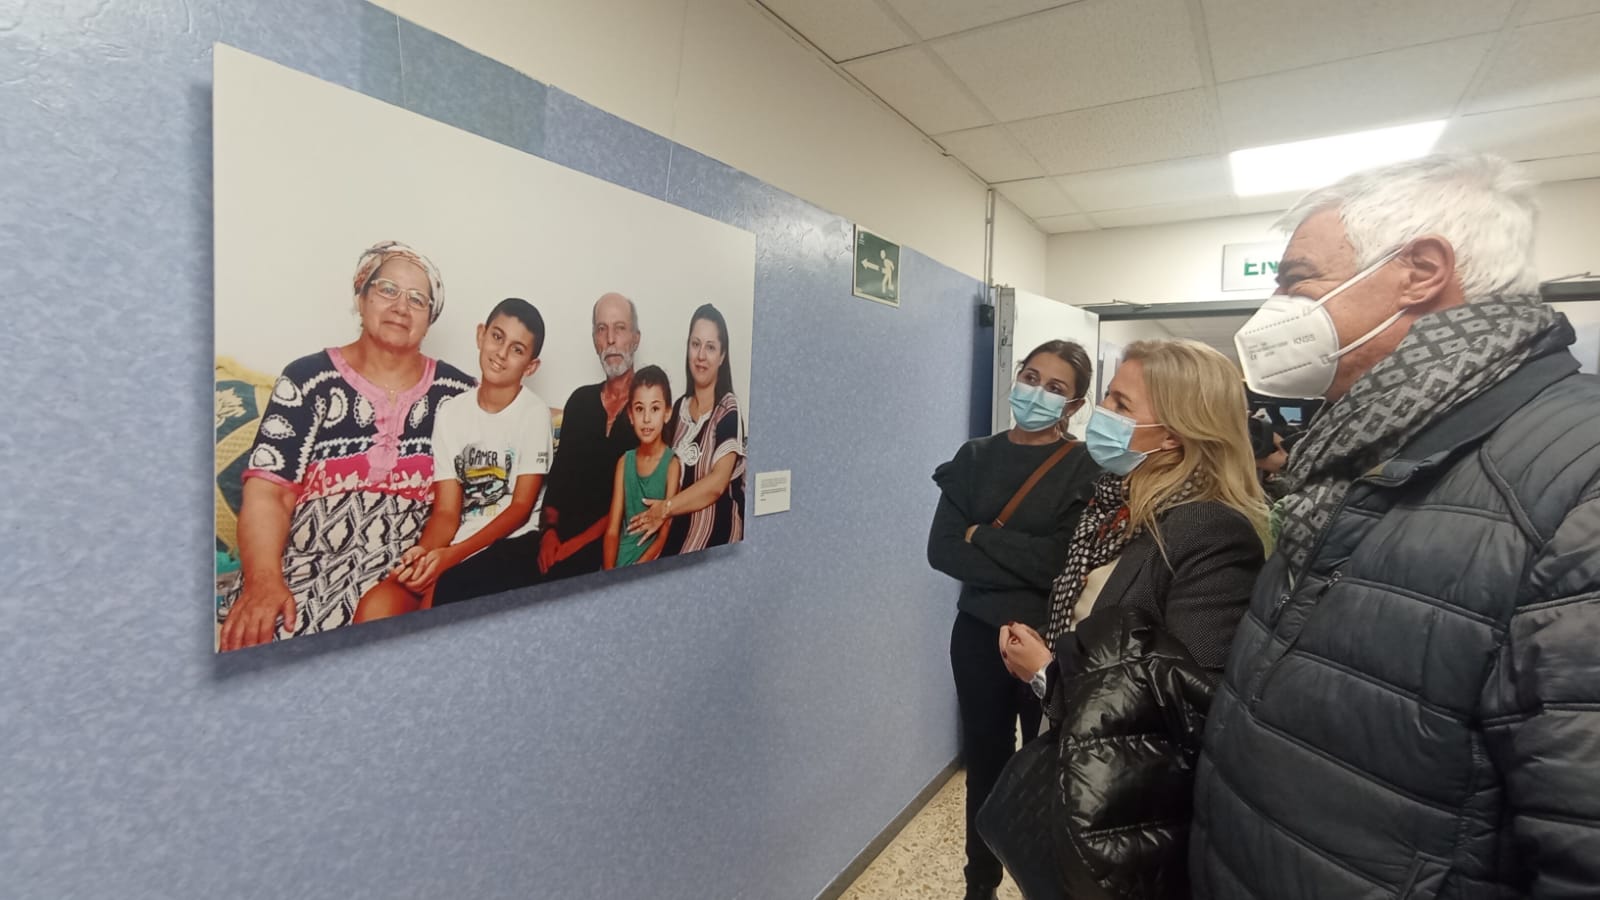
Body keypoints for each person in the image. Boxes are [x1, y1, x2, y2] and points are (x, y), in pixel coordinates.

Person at [1191, 153, 1600, 899]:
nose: (1275, 309)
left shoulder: (1576, 478)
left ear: (1421, 270)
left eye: (1295, 280)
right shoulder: (1363, 444)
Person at [995, 339, 1269, 900]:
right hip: (1081, 757)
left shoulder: (1209, 531)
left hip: (1131, 802)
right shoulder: (1117, 504)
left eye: (1121, 404)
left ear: (1172, 434)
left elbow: (1196, 704)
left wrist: (1048, 673)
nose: (1103, 415)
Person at [219, 241, 473, 651]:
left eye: (417, 300)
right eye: (387, 290)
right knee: (267, 634)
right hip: (303, 559)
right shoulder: (307, 380)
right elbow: (269, 493)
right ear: (361, 295)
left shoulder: (458, 394)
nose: (400, 307)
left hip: (403, 564)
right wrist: (264, 581)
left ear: (429, 321)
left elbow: (509, 418)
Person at [927, 340, 1101, 900]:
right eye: (1030, 377)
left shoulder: (1083, 467)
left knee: (1046, 769)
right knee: (986, 762)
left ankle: (1045, 885)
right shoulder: (974, 456)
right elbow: (943, 550)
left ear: (1073, 407)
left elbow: (1059, 564)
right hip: (976, 637)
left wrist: (985, 534)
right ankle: (979, 885)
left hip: (1048, 643)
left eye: (1055, 387)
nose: (1037, 392)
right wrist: (1017, 553)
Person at [353, 298, 553, 620]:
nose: (501, 353)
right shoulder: (451, 412)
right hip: (457, 543)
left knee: (441, 595)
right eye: (497, 337)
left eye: (517, 349)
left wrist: (449, 558)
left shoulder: (533, 414)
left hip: (512, 544)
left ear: (531, 366)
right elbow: (447, 510)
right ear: (481, 335)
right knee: (378, 603)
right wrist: (425, 553)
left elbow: (520, 509)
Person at [627, 304, 746, 555]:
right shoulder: (677, 408)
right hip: (674, 536)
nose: (701, 355)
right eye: (695, 344)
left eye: (711, 347)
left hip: (715, 542)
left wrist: (665, 508)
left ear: (722, 356)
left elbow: (717, 483)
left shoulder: (727, 408)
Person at [538, 293, 641, 579]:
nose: (610, 339)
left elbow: (634, 499)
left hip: (610, 542)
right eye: (601, 329)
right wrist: (548, 533)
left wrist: (573, 546)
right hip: (557, 543)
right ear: (594, 340)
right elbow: (557, 482)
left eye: (620, 328)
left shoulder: (648, 408)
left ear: (635, 338)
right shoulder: (580, 402)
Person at [604, 366, 680, 569]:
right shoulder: (624, 462)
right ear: (630, 415)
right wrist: (609, 574)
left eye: (654, 409)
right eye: (639, 409)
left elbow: (663, 535)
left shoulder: (672, 465)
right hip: (618, 559)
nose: (646, 419)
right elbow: (612, 530)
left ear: (667, 413)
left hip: (648, 563)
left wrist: (636, 570)